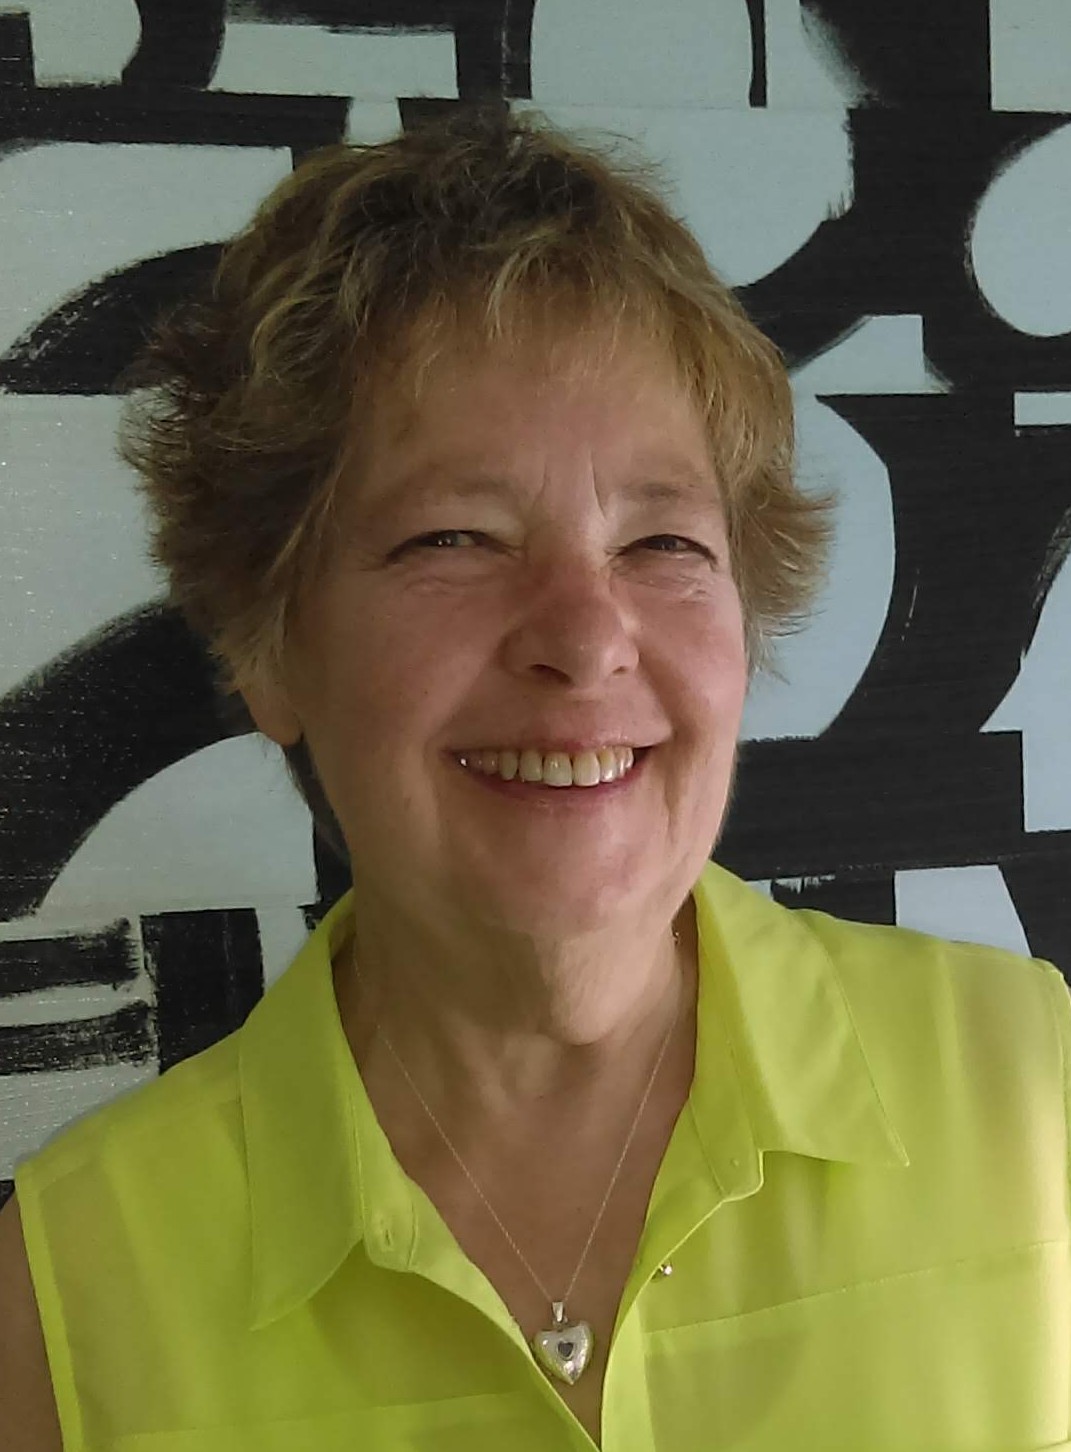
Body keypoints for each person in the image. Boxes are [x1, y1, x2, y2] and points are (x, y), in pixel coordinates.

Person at [1, 108, 1069, 1452]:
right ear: (267, 649)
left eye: (663, 542)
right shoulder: (66, 1298)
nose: (584, 635)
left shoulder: (1038, 1090)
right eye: (455, 536)